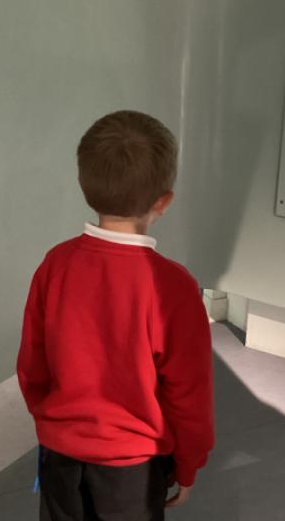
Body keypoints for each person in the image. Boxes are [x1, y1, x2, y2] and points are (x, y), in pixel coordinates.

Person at [16, 110, 215, 521]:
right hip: (133, 472)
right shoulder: (174, 286)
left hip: (60, 457)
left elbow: (32, 364)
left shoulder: (56, 264)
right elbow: (189, 395)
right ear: (163, 202)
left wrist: (54, 422)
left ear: (84, 184)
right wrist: (188, 464)